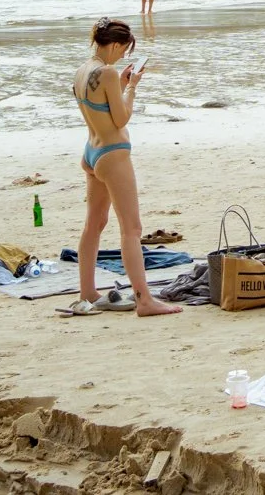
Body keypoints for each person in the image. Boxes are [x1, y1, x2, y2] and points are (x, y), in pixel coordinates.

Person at [71, 19, 180, 315]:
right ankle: (144, 300)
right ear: (116, 44)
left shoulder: (84, 70)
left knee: (94, 225)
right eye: (123, 51)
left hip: (91, 151)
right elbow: (120, 118)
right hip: (112, 154)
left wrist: (120, 83)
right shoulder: (107, 72)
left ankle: (88, 292)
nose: (122, 57)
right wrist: (131, 87)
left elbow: (100, 105)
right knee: (131, 228)